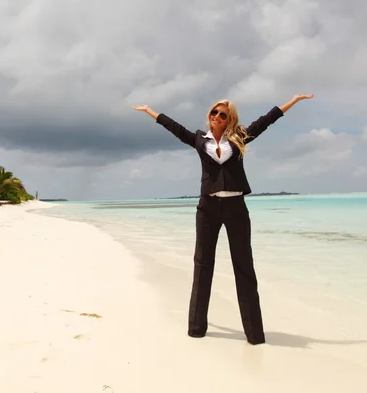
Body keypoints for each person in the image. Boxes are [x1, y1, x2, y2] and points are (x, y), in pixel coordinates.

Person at [133, 94, 314, 345]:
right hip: (207, 208)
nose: (216, 117)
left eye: (222, 114)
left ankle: (255, 336)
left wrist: (294, 100)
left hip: (236, 207)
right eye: (214, 113)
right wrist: (150, 111)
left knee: (244, 267)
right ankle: (196, 329)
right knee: (202, 265)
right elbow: (174, 128)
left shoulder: (239, 137)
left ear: (230, 119)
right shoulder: (199, 139)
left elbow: (267, 120)